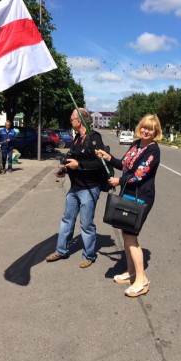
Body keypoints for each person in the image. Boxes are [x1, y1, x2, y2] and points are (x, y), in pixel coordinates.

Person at [96, 114, 162, 297]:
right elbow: (124, 164)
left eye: (150, 129)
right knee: (126, 234)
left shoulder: (153, 150)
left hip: (142, 197)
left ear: (156, 132)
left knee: (131, 236)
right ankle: (131, 272)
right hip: (128, 194)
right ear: (139, 127)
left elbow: (140, 174)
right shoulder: (135, 145)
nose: (146, 131)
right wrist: (108, 157)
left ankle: (142, 280)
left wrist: (118, 181)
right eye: (144, 127)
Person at [46, 108, 106, 268]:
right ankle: (61, 250)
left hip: (89, 188)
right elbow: (72, 158)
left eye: (72, 118)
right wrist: (65, 168)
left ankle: (89, 255)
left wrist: (79, 165)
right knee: (67, 220)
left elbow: (101, 163)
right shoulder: (77, 139)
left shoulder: (94, 138)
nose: (70, 120)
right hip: (75, 188)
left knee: (86, 224)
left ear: (79, 121)